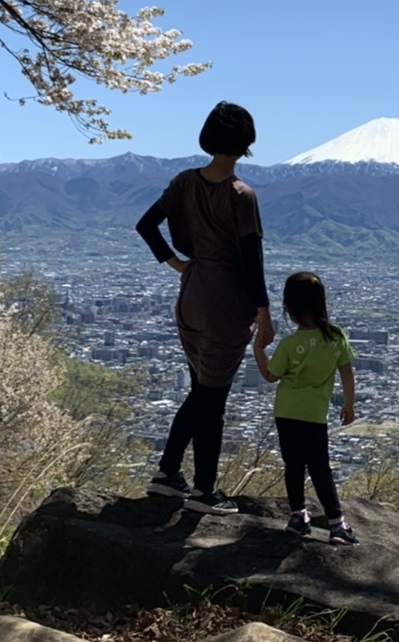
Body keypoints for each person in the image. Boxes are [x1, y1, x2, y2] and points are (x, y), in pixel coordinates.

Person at [136, 101, 274, 515]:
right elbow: (252, 262)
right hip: (226, 299)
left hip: (192, 291)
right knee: (214, 399)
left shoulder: (183, 183)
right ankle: (204, 491)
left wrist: (176, 263)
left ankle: (167, 472)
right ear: (246, 143)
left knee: (202, 388)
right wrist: (264, 314)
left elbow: (146, 225)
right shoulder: (240, 195)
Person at [255, 270, 358, 544]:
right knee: (320, 467)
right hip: (314, 414)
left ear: (288, 309)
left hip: (287, 412)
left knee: (294, 466)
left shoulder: (290, 345)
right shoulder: (336, 337)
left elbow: (270, 375)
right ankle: (337, 524)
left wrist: (258, 349)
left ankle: (298, 517)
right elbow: (347, 372)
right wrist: (349, 404)